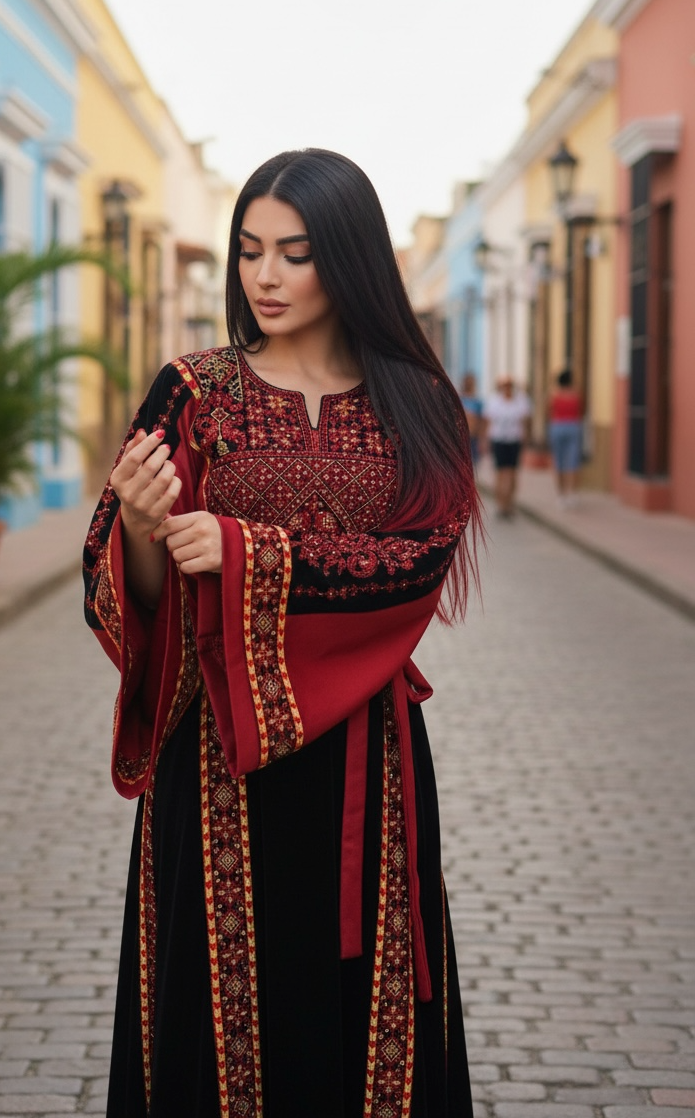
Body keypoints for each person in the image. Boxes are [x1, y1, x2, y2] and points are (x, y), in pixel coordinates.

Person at [83, 148, 480, 1118]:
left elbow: (418, 561)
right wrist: (141, 534)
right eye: (250, 250)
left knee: (364, 991)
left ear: (346, 259)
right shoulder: (192, 389)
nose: (264, 275)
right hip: (214, 752)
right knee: (213, 999)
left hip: (364, 758)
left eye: (294, 254)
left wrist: (242, 548)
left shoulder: (417, 404)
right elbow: (126, 581)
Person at [484, 376, 531, 518]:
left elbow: (525, 421)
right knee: (500, 473)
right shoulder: (494, 402)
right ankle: (500, 503)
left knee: (512, 473)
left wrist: (525, 438)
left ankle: (509, 502)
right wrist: (485, 440)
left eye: (510, 386)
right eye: (505, 386)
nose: (507, 389)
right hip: (499, 440)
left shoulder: (520, 401)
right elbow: (488, 421)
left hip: (514, 440)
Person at [548, 369, 584, 509]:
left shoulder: (554, 394)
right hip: (573, 427)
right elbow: (581, 410)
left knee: (559, 462)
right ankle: (572, 494)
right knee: (573, 462)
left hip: (557, 426)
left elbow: (549, 410)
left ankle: (561, 495)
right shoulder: (576, 395)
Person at [459, 372, 484, 468]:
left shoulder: (477, 402)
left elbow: (481, 421)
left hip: (474, 438)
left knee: (473, 466)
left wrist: (482, 439)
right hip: (461, 438)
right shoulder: (459, 399)